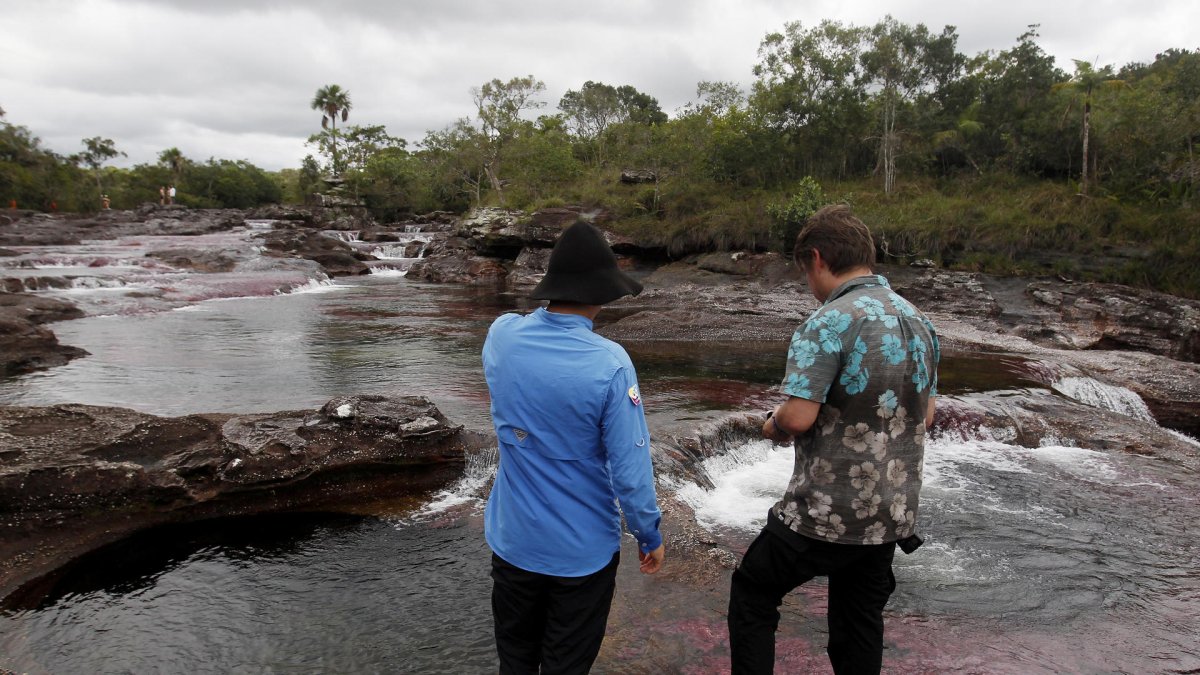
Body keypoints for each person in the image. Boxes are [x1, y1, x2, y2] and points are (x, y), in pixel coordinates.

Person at [727, 205, 939, 675]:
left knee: (753, 592)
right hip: (890, 513)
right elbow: (926, 413)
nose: (809, 282)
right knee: (858, 622)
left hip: (824, 511)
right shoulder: (919, 321)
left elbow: (799, 417)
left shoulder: (827, 322)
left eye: (806, 271)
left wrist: (773, 424)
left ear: (817, 259)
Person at [482, 220, 665, 674]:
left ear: (551, 286)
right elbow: (629, 470)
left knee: (516, 661)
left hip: (513, 543)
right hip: (580, 555)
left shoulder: (501, 337)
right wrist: (648, 534)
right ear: (604, 292)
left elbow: (513, 325)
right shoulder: (611, 363)